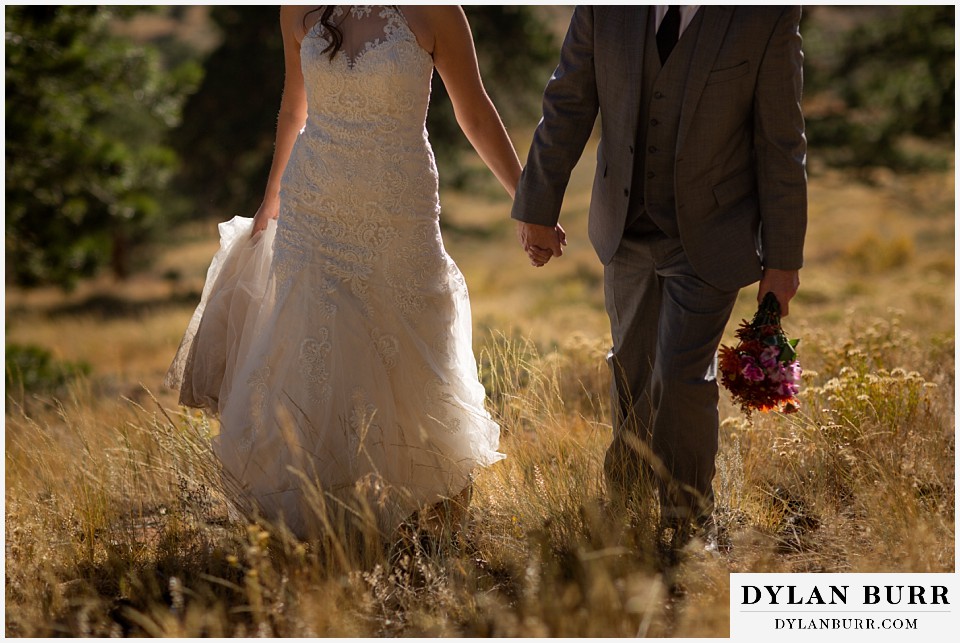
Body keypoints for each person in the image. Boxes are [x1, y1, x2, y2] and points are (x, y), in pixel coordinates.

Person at [166, 5, 523, 540]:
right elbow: (294, 108)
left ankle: (427, 509)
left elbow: (472, 112)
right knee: (317, 343)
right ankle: (329, 515)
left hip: (397, 204)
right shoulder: (300, 8)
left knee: (409, 337)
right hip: (315, 202)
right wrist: (271, 199)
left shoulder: (436, 10)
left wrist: (528, 200)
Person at [511, 6, 807, 551]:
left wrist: (782, 260)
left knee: (678, 375)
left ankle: (689, 523)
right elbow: (568, 103)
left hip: (713, 233)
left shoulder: (764, 15)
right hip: (623, 228)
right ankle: (623, 510)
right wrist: (537, 203)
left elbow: (780, 142)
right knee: (630, 368)